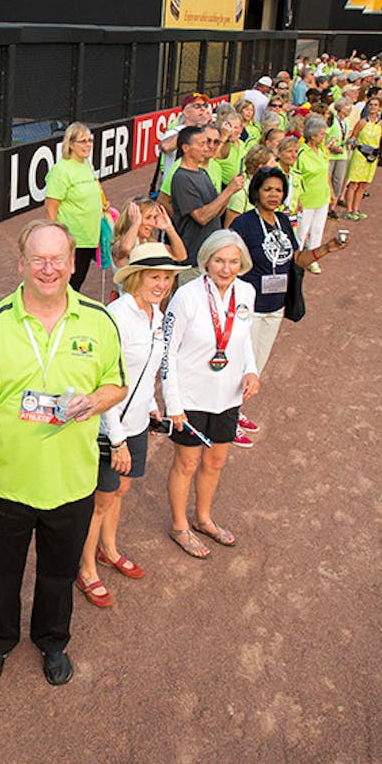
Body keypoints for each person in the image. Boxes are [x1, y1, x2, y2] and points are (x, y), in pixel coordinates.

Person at [0, 220, 127, 687]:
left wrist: (95, 401)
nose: (48, 268)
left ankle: (53, 642)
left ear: (73, 263)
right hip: (7, 483)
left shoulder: (99, 320)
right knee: (1, 574)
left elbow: (117, 384)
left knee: (58, 576)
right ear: (21, 264)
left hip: (72, 482)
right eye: (38, 258)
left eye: (58, 259)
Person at [74, 243, 191, 607]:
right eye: (154, 276)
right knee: (101, 499)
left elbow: (146, 370)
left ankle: (108, 549)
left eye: (168, 277)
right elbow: (102, 382)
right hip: (112, 429)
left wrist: (154, 405)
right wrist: (119, 439)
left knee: (120, 491)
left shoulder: (156, 314)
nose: (162, 284)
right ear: (136, 277)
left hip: (139, 420)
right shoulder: (116, 316)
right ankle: (86, 568)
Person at [229, 167, 347, 444]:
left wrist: (327, 248)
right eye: (268, 189)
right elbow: (228, 260)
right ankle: (227, 418)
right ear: (256, 190)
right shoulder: (243, 224)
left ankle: (236, 410)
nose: (273, 195)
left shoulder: (283, 221)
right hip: (248, 307)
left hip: (275, 305)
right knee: (240, 363)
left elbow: (296, 259)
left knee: (256, 363)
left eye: (278, 190)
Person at [161, 231, 258, 558]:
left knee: (215, 461)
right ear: (207, 260)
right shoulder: (186, 296)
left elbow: (244, 338)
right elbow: (168, 353)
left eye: (233, 261)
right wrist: (173, 404)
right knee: (186, 462)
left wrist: (251, 369)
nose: (226, 268)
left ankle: (203, 519)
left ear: (241, 263)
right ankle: (179, 526)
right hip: (189, 398)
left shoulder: (246, 291)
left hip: (227, 396)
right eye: (219, 260)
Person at [170, 126, 244, 274]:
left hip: (210, 257)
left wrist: (230, 192)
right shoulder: (182, 178)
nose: (207, 148)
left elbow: (216, 211)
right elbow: (201, 217)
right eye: (201, 144)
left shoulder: (203, 173)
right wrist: (228, 190)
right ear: (186, 148)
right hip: (194, 260)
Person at [45, 121, 109, 292]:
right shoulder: (61, 170)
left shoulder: (87, 165)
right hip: (72, 239)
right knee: (68, 284)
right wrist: (56, 236)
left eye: (90, 140)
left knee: (78, 280)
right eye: (83, 141)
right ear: (71, 144)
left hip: (89, 237)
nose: (88, 145)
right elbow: (51, 205)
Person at [151, 92, 213, 196]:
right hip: (176, 189)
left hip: (200, 184)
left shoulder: (207, 130)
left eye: (205, 106)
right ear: (185, 112)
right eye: (197, 106)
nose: (202, 109)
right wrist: (197, 126)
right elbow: (165, 146)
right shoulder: (175, 131)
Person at [294, 116, 332, 274]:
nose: (324, 136)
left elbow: (326, 172)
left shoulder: (323, 149)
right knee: (301, 232)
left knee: (317, 230)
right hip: (306, 199)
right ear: (312, 135)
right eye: (321, 134)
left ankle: (313, 260)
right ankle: (296, 261)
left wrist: (332, 192)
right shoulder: (301, 153)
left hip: (323, 196)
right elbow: (296, 177)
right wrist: (297, 199)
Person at [110, 195, 186, 270]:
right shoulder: (119, 244)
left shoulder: (150, 243)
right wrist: (135, 224)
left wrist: (169, 228)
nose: (153, 223)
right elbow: (126, 248)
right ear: (133, 217)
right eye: (148, 217)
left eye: (155, 217)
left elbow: (180, 256)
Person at [344, 97, 382, 221]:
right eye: (371, 105)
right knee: (353, 183)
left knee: (363, 184)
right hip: (360, 155)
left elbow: (381, 137)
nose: (373, 107)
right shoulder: (362, 122)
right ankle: (349, 209)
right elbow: (353, 136)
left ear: (379, 107)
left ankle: (356, 208)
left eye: (375, 105)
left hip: (372, 156)